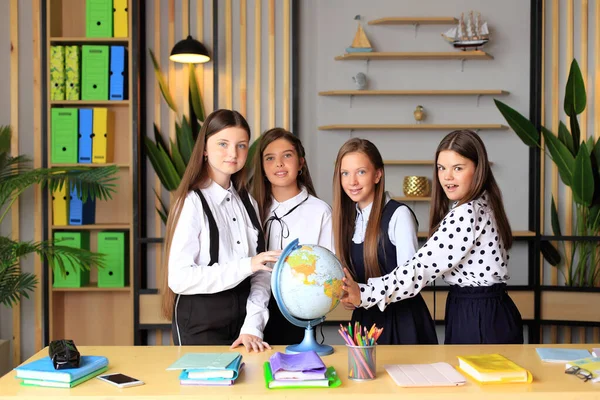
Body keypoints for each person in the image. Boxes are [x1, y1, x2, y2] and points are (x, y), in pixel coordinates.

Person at [341, 130, 523, 344]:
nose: (447, 177)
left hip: (479, 315)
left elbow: (419, 269)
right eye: (441, 168)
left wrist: (365, 293)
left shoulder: (468, 212)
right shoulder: (481, 204)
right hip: (482, 310)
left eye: (458, 168)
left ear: (478, 169)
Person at [161, 109, 281, 352]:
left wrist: (252, 327)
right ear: (204, 149)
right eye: (223, 144)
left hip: (244, 328)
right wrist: (246, 265)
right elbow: (179, 279)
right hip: (200, 326)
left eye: (241, 145)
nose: (233, 154)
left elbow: (261, 274)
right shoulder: (191, 202)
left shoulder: (249, 202)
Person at [332, 138, 437, 345]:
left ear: (377, 175)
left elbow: (410, 280)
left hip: (401, 323)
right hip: (365, 324)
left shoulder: (399, 214)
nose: (352, 181)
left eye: (361, 172)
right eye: (345, 173)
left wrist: (362, 293)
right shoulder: (348, 218)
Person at [251, 127, 333, 344]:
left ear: (301, 163)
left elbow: (328, 269)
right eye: (270, 158)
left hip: (300, 311)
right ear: (262, 166)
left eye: (287, 155)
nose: (279, 164)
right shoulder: (250, 208)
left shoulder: (320, 211)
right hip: (250, 313)